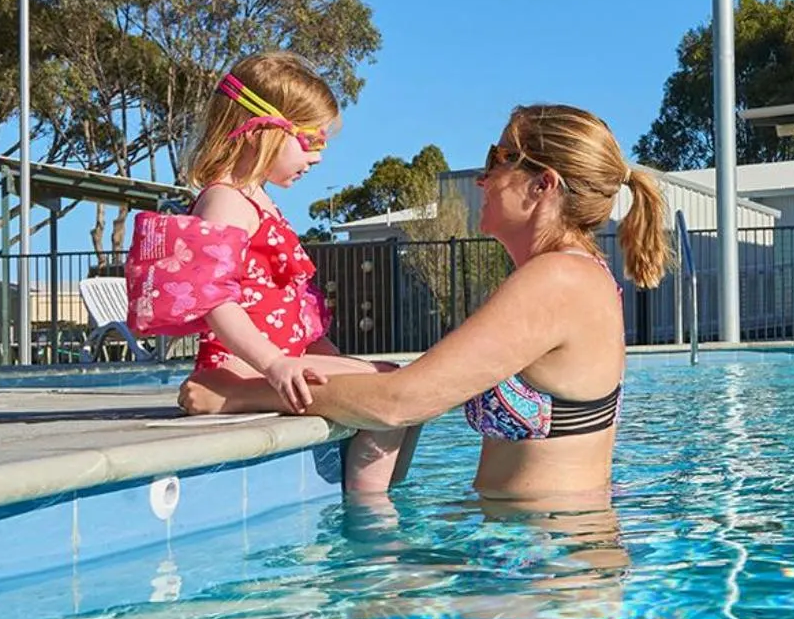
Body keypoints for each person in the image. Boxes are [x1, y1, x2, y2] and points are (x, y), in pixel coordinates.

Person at [185, 104, 669, 499]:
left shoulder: (558, 280)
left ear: (543, 184)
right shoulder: (575, 274)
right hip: (542, 555)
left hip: (546, 575)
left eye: (497, 159)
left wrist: (240, 391)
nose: (483, 178)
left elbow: (399, 402)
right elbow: (410, 388)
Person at [146, 52, 417, 478]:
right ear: (261, 131)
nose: (319, 158)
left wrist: (332, 359)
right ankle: (370, 514)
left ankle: (380, 500)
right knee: (392, 392)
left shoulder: (259, 201)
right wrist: (273, 365)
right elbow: (215, 299)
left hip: (281, 360)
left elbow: (288, 307)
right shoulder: (225, 201)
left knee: (406, 388)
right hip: (244, 367)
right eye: (311, 141)